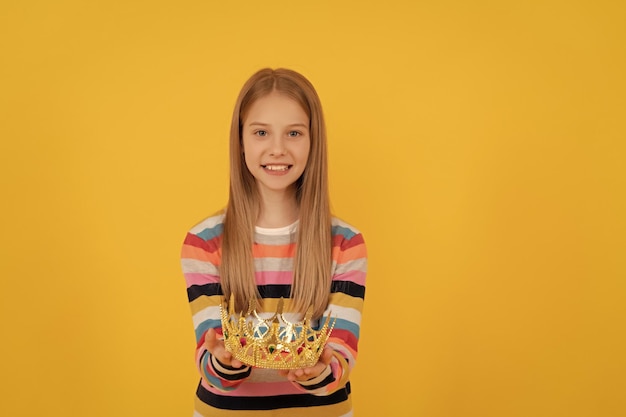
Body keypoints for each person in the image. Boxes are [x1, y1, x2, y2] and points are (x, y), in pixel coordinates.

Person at [180, 68, 367, 417]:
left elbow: (340, 358)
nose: (277, 149)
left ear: (314, 141)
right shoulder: (203, 243)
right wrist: (223, 361)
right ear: (241, 141)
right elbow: (210, 368)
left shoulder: (345, 243)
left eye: (294, 133)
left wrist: (320, 370)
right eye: (261, 132)